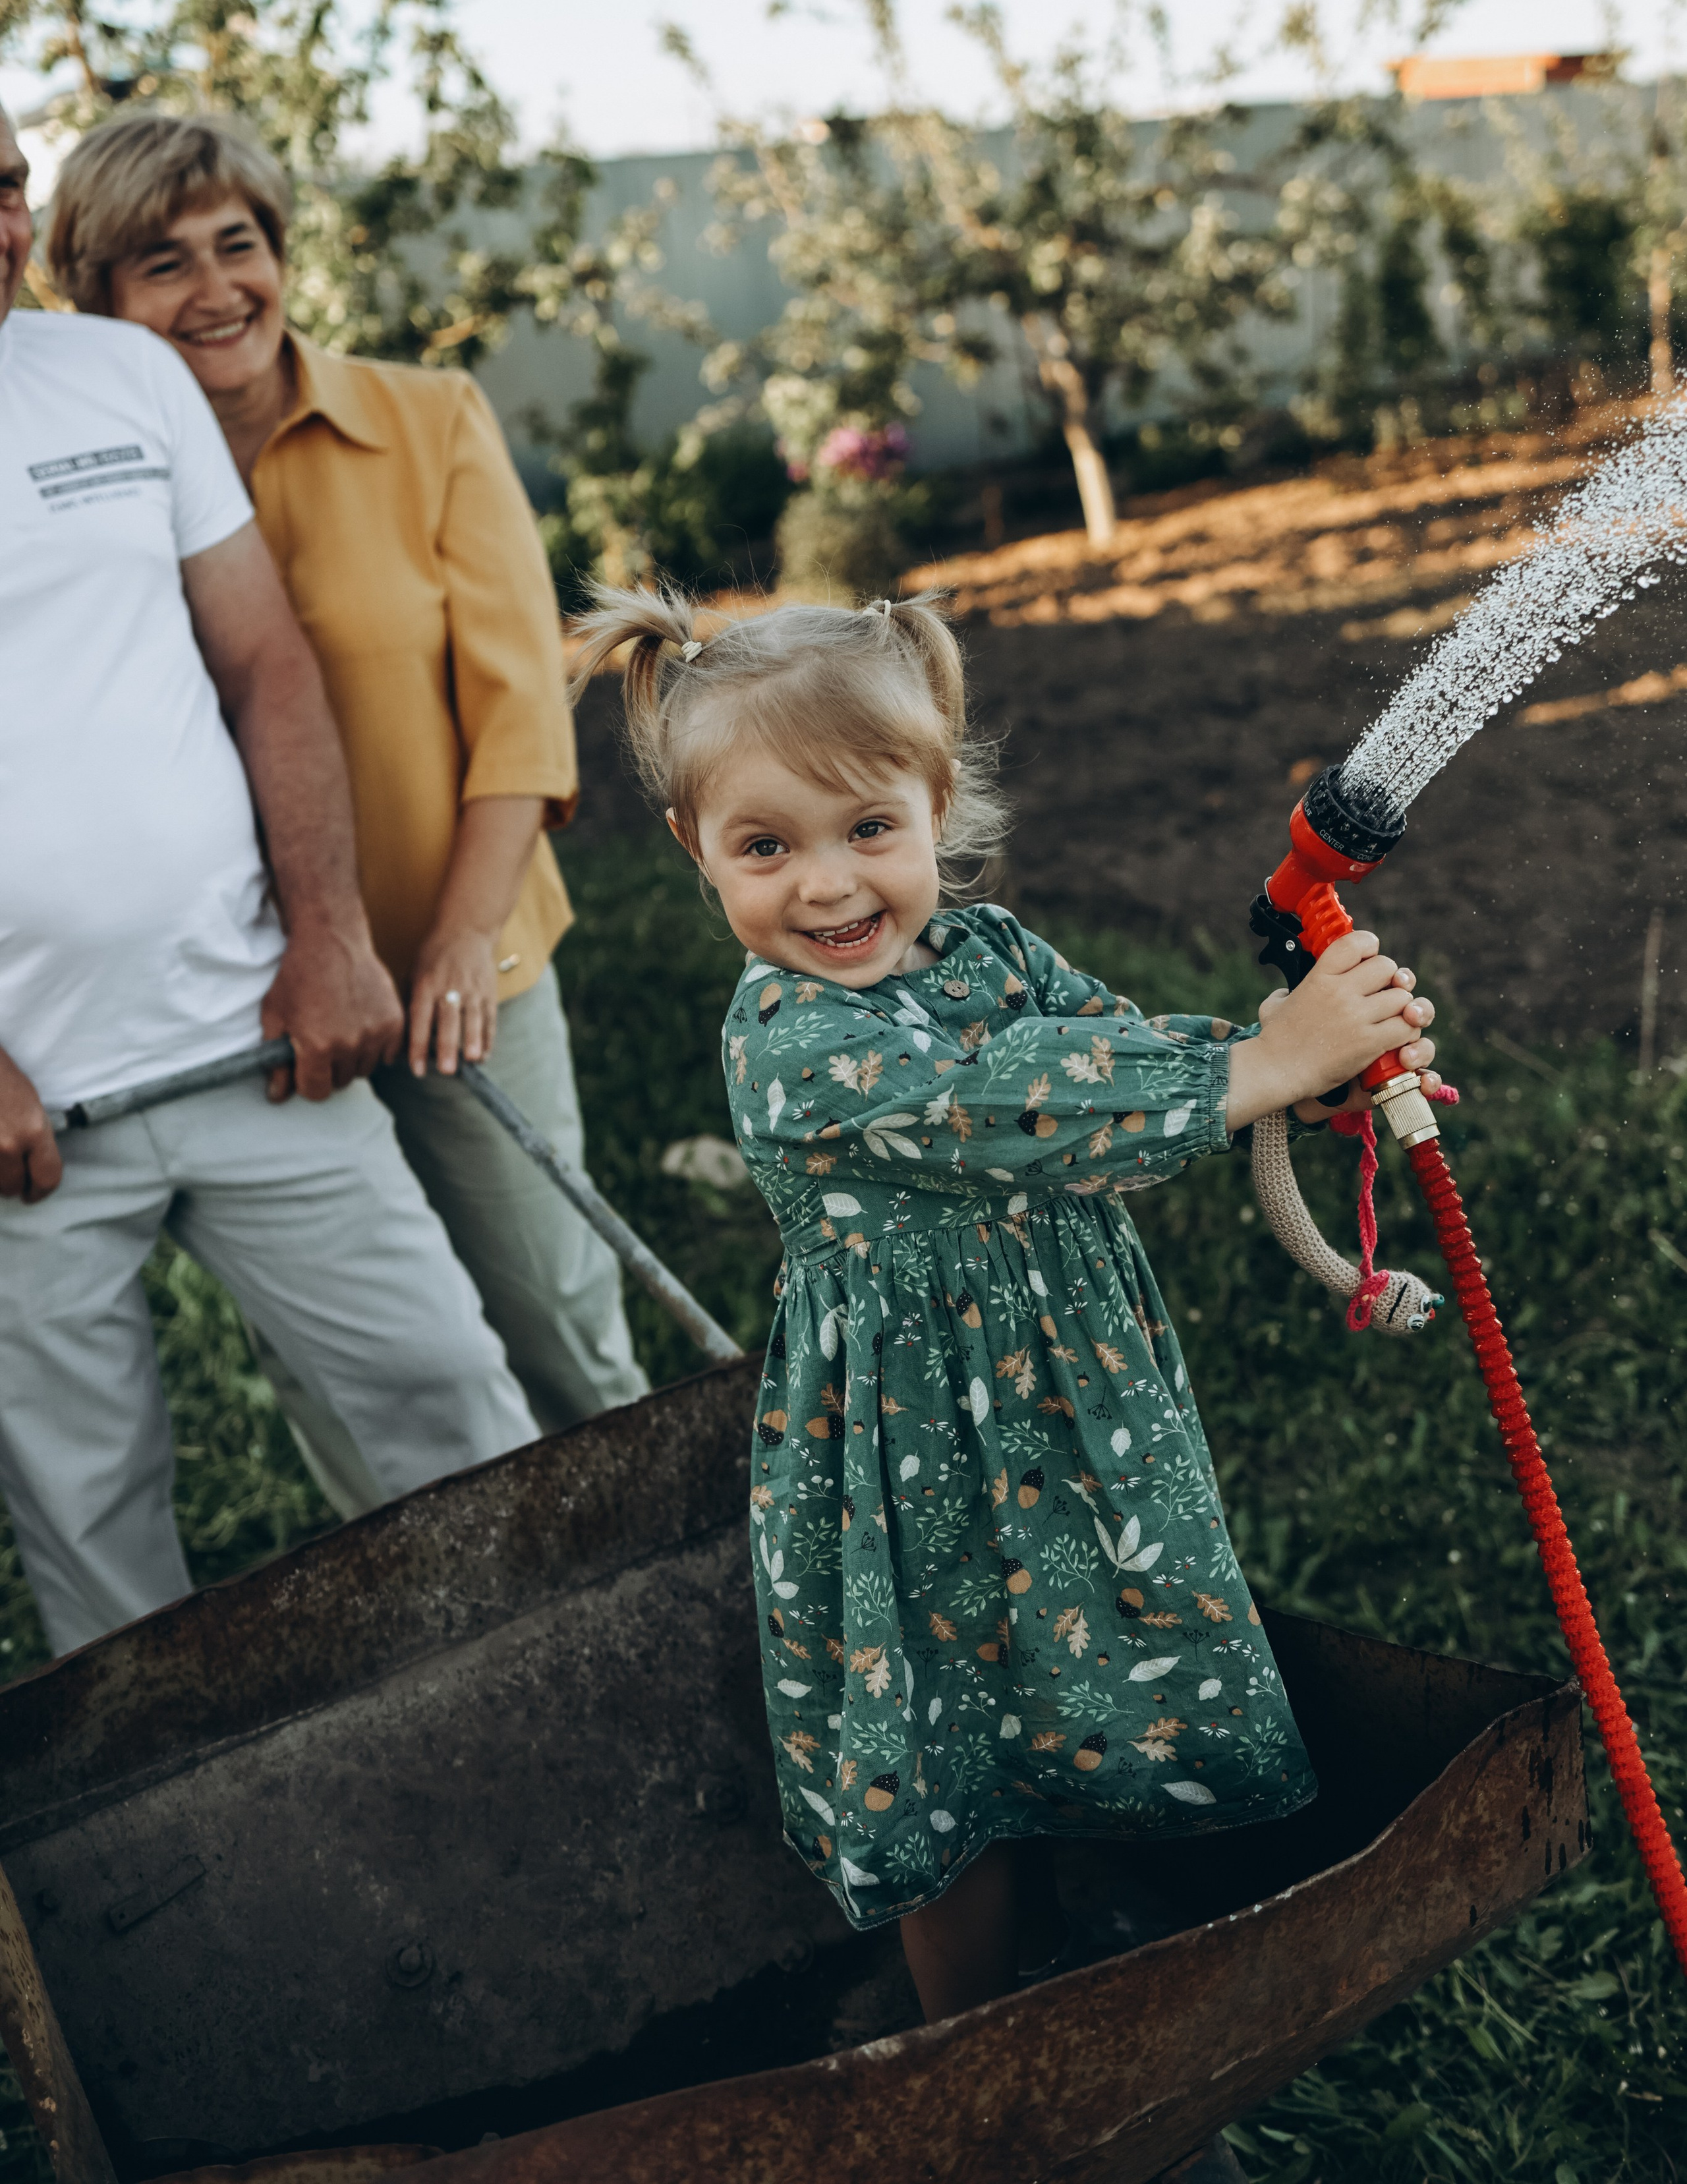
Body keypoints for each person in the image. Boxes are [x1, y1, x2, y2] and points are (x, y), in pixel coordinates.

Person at [567, 585, 1441, 2026]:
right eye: (764, 847)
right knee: (943, 1738)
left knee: (1087, 1670)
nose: (829, 887)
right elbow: (1010, 1104)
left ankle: (1120, 1977)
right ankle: (970, 2037)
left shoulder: (990, 955)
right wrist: (1261, 1068)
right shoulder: (788, 1050)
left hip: (1069, 1405)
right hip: (908, 1456)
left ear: (933, 804)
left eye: (868, 830)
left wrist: (1293, 1061)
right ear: (692, 850)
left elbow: (1106, 1054)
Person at [46, 114, 645, 1518]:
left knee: (552, 1315)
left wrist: (456, 944)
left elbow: (520, 712)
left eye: (237, 245)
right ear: (94, 302)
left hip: (455, 962)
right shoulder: (89, 485)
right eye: (159, 264)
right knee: (364, 1380)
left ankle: (660, 1581)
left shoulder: (424, 420)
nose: (215, 291)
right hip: (250, 1007)